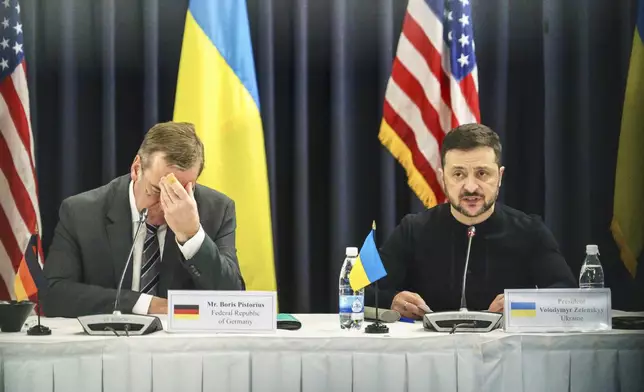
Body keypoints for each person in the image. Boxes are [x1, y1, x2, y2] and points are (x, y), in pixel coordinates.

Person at [41, 122, 244, 318]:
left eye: (180, 193)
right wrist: (144, 304)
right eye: (157, 190)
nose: (167, 205)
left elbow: (232, 301)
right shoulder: (81, 212)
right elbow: (53, 294)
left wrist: (192, 237)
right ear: (137, 169)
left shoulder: (217, 211)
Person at [375, 123, 576, 320]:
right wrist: (391, 300)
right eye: (458, 174)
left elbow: (568, 295)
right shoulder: (413, 229)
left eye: (482, 173)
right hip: (430, 350)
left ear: (500, 176)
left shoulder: (530, 231)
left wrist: (522, 302)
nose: (470, 187)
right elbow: (360, 289)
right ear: (443, 178)